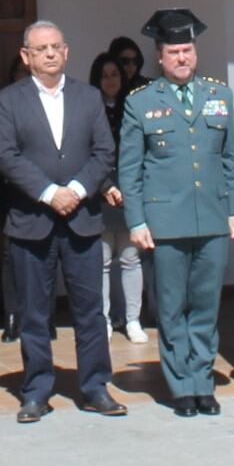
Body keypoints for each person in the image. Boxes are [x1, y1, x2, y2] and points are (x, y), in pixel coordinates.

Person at [0, 21, 122, 422]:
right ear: (25, 56)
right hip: (32, 220)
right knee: (34, 311)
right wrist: (50, 193)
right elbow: (6, 156)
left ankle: (95, 386)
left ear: (66, 52)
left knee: (89, 308)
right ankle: (36, 390)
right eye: (40, 48)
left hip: (82, 219)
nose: (49, 54)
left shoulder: (88, 97)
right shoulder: (7, 101)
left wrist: (78, 190)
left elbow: (104, 150)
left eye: (55, 47)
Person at [119, 8, 234, 417]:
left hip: (210, 216)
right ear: (159, 56)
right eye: (174, 52)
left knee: (206, 305)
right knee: (172, 307)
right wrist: (136, 220)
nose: (182, 59)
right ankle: (181, 386)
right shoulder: (141, 102)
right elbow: (130, 167)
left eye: (187, 51)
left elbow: (230, 157)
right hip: (165, 221)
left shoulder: (218, 95)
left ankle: (202, 381)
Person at [90, 52, 148, 343]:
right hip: (99, 194)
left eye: (115, 74)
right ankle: (105, 319)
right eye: (104, 75)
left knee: (130, 258)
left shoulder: (133, 106)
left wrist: (128, 188)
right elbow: (86, 153)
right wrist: (104, 186)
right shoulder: (89, 109)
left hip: (130, 194)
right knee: (101, 261)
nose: (110, 80)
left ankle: (133, 319)